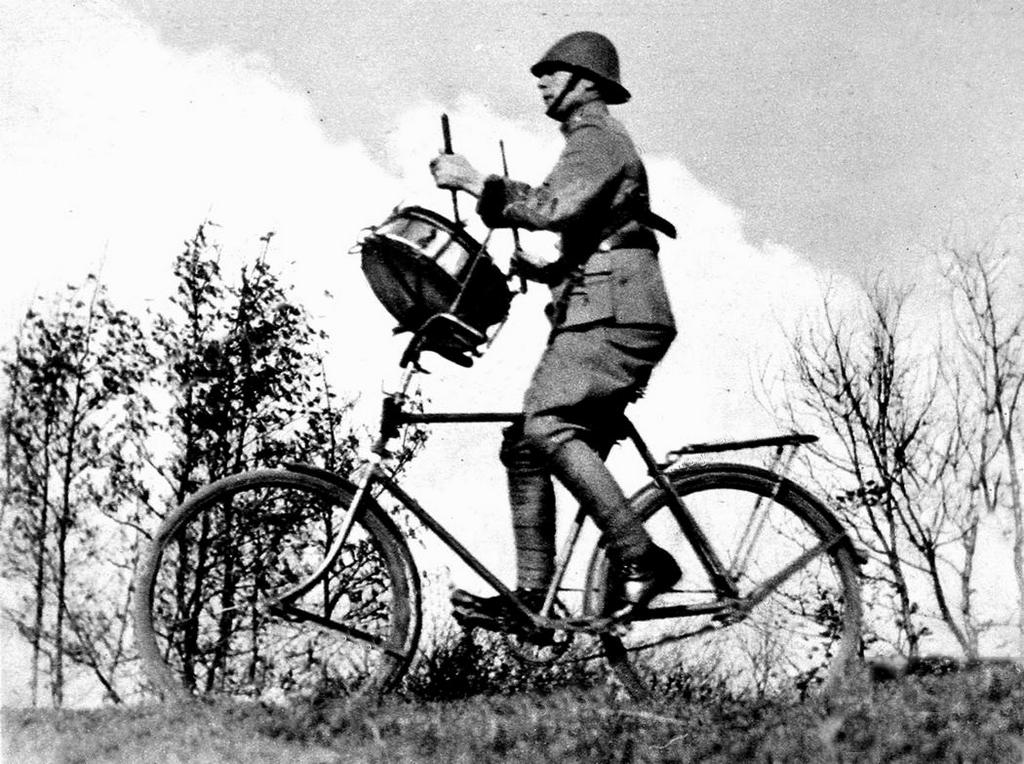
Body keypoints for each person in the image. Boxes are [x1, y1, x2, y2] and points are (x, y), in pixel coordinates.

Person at [430, 31, 680, 625]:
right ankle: (534, 598)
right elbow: (595, 232)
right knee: (526, 443)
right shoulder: (588, 141)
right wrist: (549, 270)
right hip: (604, 306)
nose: (540, 81)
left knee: (546, 423)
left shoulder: (597, 137)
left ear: (586, 83)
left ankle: (642, 560)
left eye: (553, 71)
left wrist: (474, 182)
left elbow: (550, 208)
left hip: (617, 314)